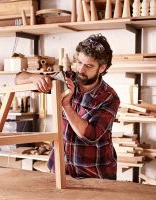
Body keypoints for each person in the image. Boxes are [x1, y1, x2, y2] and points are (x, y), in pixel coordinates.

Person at [14, 34, 120, 180]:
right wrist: (35, 78)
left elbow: (90, 136)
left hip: (94, 174)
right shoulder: (65, 78)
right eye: (79, 62)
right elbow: (18, 78)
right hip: (60, 169)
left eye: (89, 66)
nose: (81, 70)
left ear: (102, 68)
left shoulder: (109, 97)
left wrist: (66, 105)